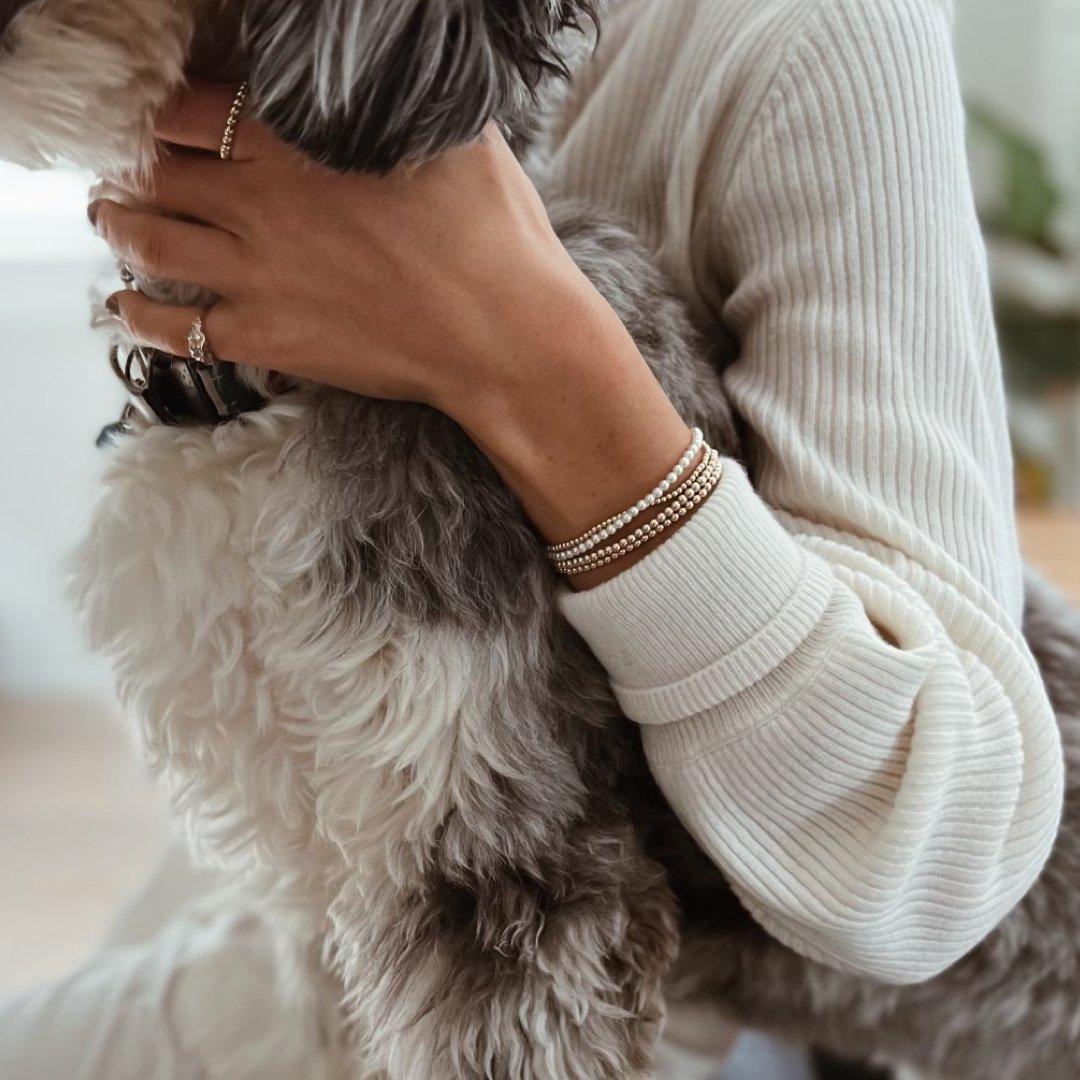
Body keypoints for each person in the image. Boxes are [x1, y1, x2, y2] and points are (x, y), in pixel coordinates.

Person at [1, 0, 1064, 1075]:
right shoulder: (210, 119)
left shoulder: (818, 33)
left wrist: (521, 348)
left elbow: (935, 867)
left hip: (649, 1001)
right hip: (319, 925)